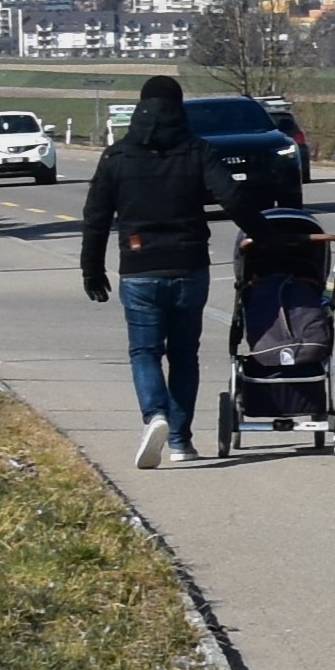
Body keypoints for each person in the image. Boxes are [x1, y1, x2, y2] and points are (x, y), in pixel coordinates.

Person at [82, 73, 225, 469]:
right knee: (184, 355)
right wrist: (267, 233)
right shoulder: (198, 151)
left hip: (139, 269)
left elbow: (95, 217)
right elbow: (234, 196)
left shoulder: (117, 156)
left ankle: (155, 415)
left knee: (145, 351)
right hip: (190, 266)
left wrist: (91, 270)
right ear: (178, 108)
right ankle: (180, 441)